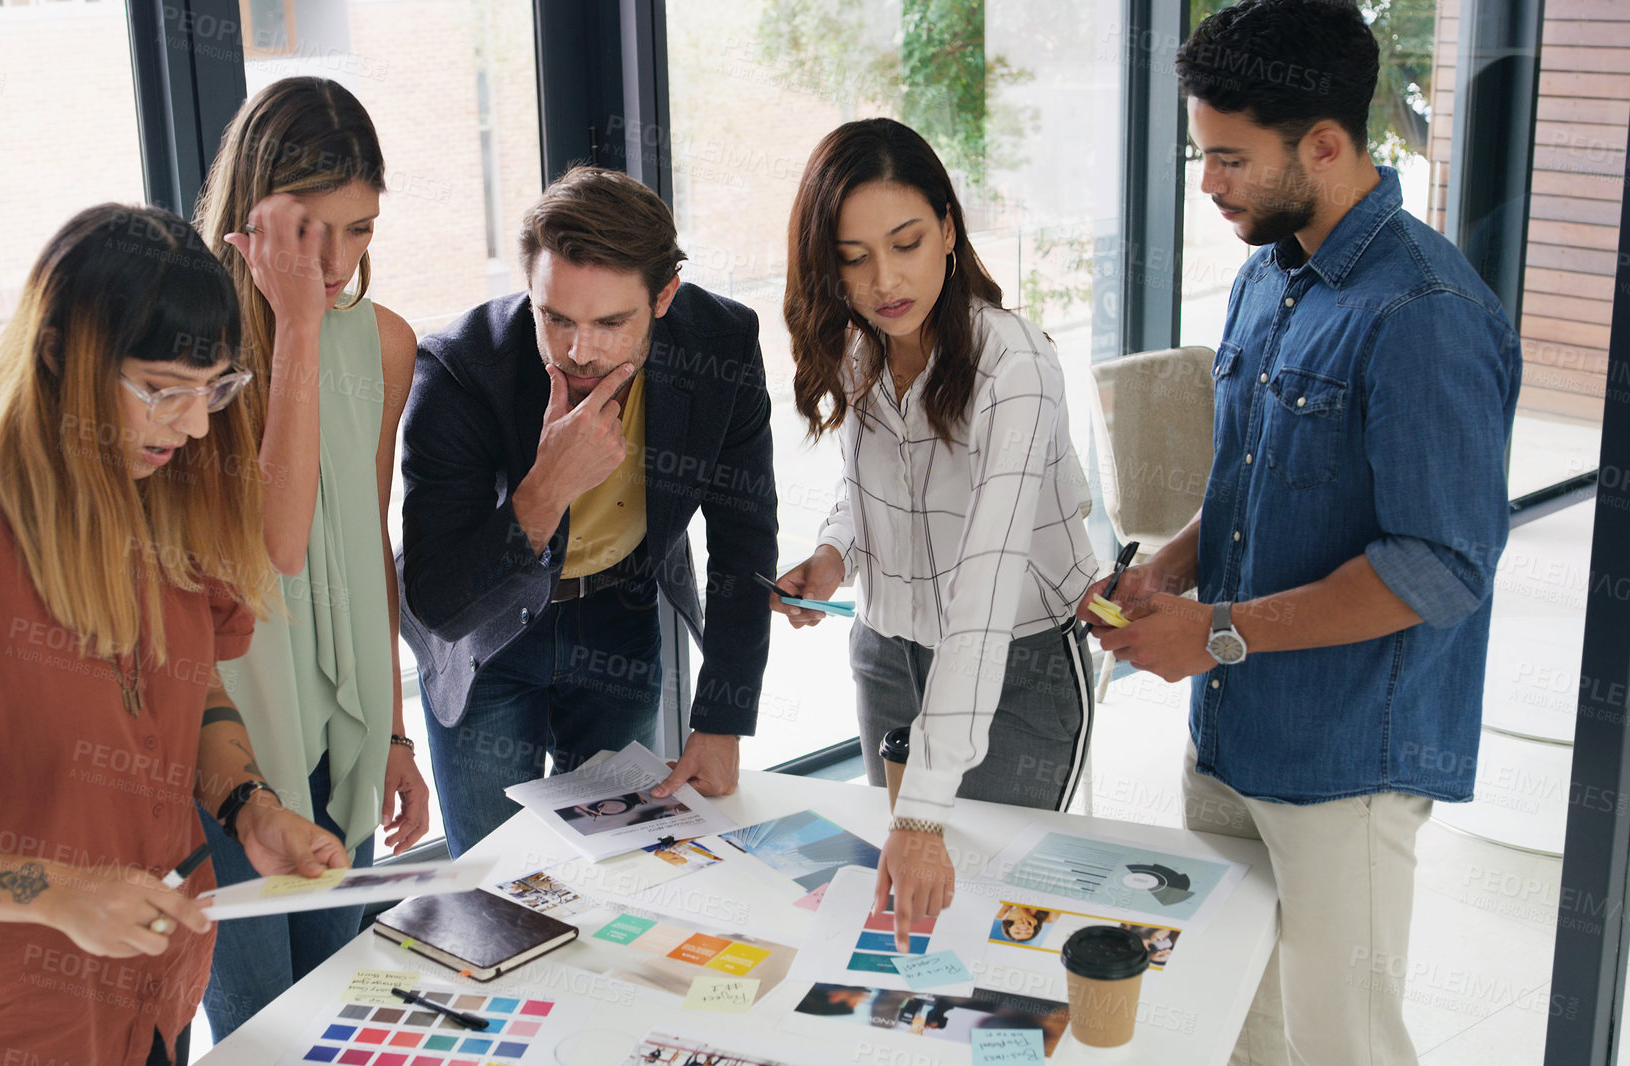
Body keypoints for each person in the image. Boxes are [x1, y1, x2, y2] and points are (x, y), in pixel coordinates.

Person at [0, 204, 350, 1066]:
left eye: (214, 392)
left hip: (145, 995)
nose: (195, 427)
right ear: (56, 353)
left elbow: (191, 679)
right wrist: (55, 893)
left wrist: (250, 806)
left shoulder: (163, 484)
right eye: (161, 390)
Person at [1087, 3, 1521, 1064]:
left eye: (1229, 159)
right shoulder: (1266, 272)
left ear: (1323, 145)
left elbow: (1441, 565)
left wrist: (1217, 633)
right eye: (1203, 154)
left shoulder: (1424, 313)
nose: (1207, 183)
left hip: (1346, 761)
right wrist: (1169, 569)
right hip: (1232, 736)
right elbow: (1245, 479)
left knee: (1343, 1042)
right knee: (1237, 1020)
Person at [772, 118, 1097, 950]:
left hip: (1017, 660)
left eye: (906, 242)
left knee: (996, 920)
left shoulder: (1014, 367)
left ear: (948, 230)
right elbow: (862, 490)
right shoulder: (859, 351)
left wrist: (920, 816)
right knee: (915, 932)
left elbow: (985, 590)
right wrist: (833, 555)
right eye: (853, 258)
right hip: (888, 656)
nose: (885, 279)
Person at [398, 166, 779, 856]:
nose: (580, 350)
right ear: (530, 291)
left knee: (625, 862)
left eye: (611, 322)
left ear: (664, 296)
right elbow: (436, 604)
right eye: (556, 318)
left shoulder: (719, 343)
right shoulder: (459, 368)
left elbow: (743, 542)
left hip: (620, 616)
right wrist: (545, 489)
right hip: (487, 640)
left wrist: (722, 720)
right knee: (498, 880)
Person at [190, 76, 431, 1039]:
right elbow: (264, 553)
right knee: (257, 1028)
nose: (334, 263)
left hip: (344, 735)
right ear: (251, 217)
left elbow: (367, 543)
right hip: (225, 749)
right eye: (308, 233)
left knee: (345, 1015)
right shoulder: (186, 353)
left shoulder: (384, 343)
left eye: (360, 230)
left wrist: (399, 735)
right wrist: (289, 326)